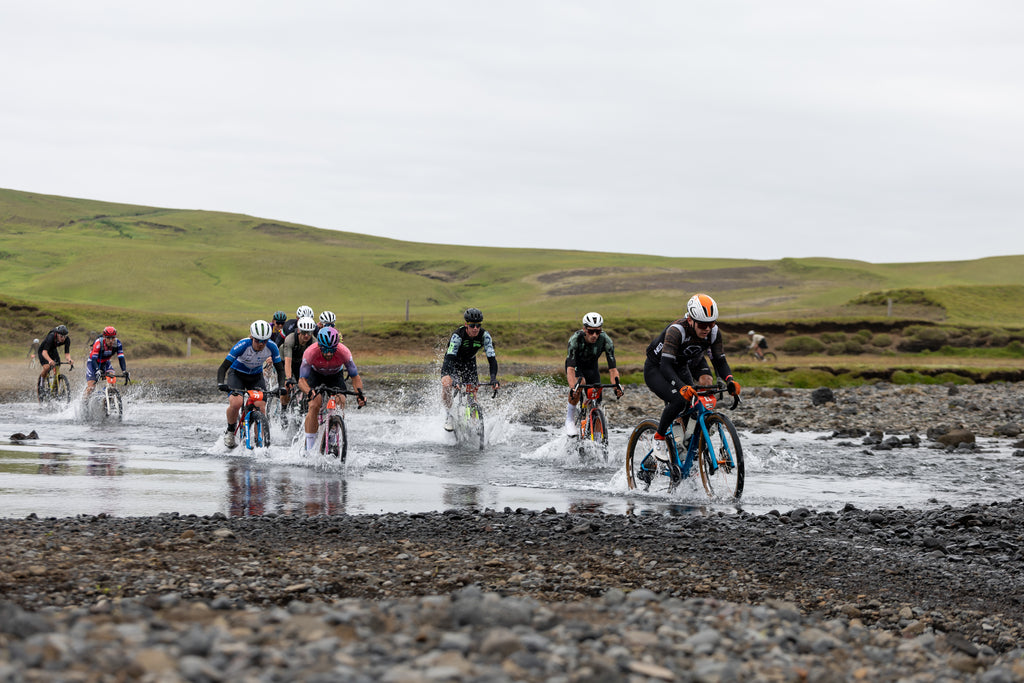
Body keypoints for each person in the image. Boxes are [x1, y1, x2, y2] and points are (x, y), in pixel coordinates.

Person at [644, 294, 741, 460]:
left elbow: (719, 361)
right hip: (658, 368)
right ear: (690, 320)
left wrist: (730, 380)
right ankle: (659, 437)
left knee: (697, 396)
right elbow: (666, 366)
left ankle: (688, 441)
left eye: (711, 323)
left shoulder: (713, 332)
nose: (707, 329)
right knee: (679, 400)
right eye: (703, 324)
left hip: (683, 364)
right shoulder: (676, 331)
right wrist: (681, 387)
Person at [216, 320, 286, 448]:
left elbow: (280, 370)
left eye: (264, 341)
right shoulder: (243, 345)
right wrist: (221, 383)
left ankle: (260, 442)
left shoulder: (272, 347)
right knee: (236, 402)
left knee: (260, 405)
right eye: (258, 340)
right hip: (237, 374)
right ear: (252, 337)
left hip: (255, 376)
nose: (261, 344)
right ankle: (231, 431)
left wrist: (281, 386)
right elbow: (223, 367)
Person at [298, 326, 366, 451]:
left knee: (340, 401)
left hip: (335, 375)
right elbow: (301, 380)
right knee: (314, 404)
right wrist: (309, 392)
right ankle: (309, 446)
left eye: (332, 350)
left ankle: (334, 432)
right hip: (316, 375)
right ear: (319, 346)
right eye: (325, 349)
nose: (328, 353)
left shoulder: (344, 352)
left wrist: (359, 395)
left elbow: (355, 377)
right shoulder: (310, 352)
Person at [564, 312, 622, 436]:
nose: (594, 335)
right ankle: (569, 420)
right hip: (576, 366)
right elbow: (570, 369)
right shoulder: (575, 339)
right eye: (591, 331)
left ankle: (596, 438)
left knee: (596, 400)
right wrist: (572, 388)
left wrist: (617, 386)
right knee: (581, 384)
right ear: (584, 329)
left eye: (598, 331)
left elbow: (612, 369)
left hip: (592, 368)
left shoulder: (606, 340)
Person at [441, 308, 499, 431]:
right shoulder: (458, 336)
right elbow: (450, 358)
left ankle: (475, 425)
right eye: (472, 325)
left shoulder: (485, 336)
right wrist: (454, 378)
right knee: (446, 384)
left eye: (478, 325)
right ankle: (449, 415)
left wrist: (493, 378)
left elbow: (492, 359)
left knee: (472, 392)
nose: (475, 328)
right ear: (466, 324)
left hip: (469, 363)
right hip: (452, 362)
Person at [279, 316, 318, 414]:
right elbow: (288, 362)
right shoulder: (290, 339)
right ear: (299, 330)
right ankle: (283, 409)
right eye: (304, 332)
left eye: (309, 333)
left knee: (307, 384)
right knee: (287, 386)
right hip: (285, 360)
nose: (306, 335)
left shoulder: (314, 342)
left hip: (300, 363)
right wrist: (288, 378)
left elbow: (314, 364)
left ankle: (303, 409)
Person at [83, 326, 129, 399]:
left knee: (112, 381)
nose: (111, 340)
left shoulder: (117, 343)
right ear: (104, 337)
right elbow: (94, 359)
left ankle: (108, 400)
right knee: (91, 387)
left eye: (113, 338)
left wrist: (124, 371)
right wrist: (97, 370)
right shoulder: (98, 343)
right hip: (93, 363)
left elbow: (121, 358)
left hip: (105, 363)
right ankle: (83, 403)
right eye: (108, 338)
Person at [37, 325, 73, 393]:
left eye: (64, 336)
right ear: (57, 334)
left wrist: (69, 360)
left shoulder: (67, 339)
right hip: (43, 351)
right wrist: (50, 360)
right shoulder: (51, 337)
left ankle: (56, 384)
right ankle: (41, 383)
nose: (63, 338)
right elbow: (44, 352)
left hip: (53, 350)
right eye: (61, 336)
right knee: (47, 367)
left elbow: (67, 353)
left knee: (57, 365)